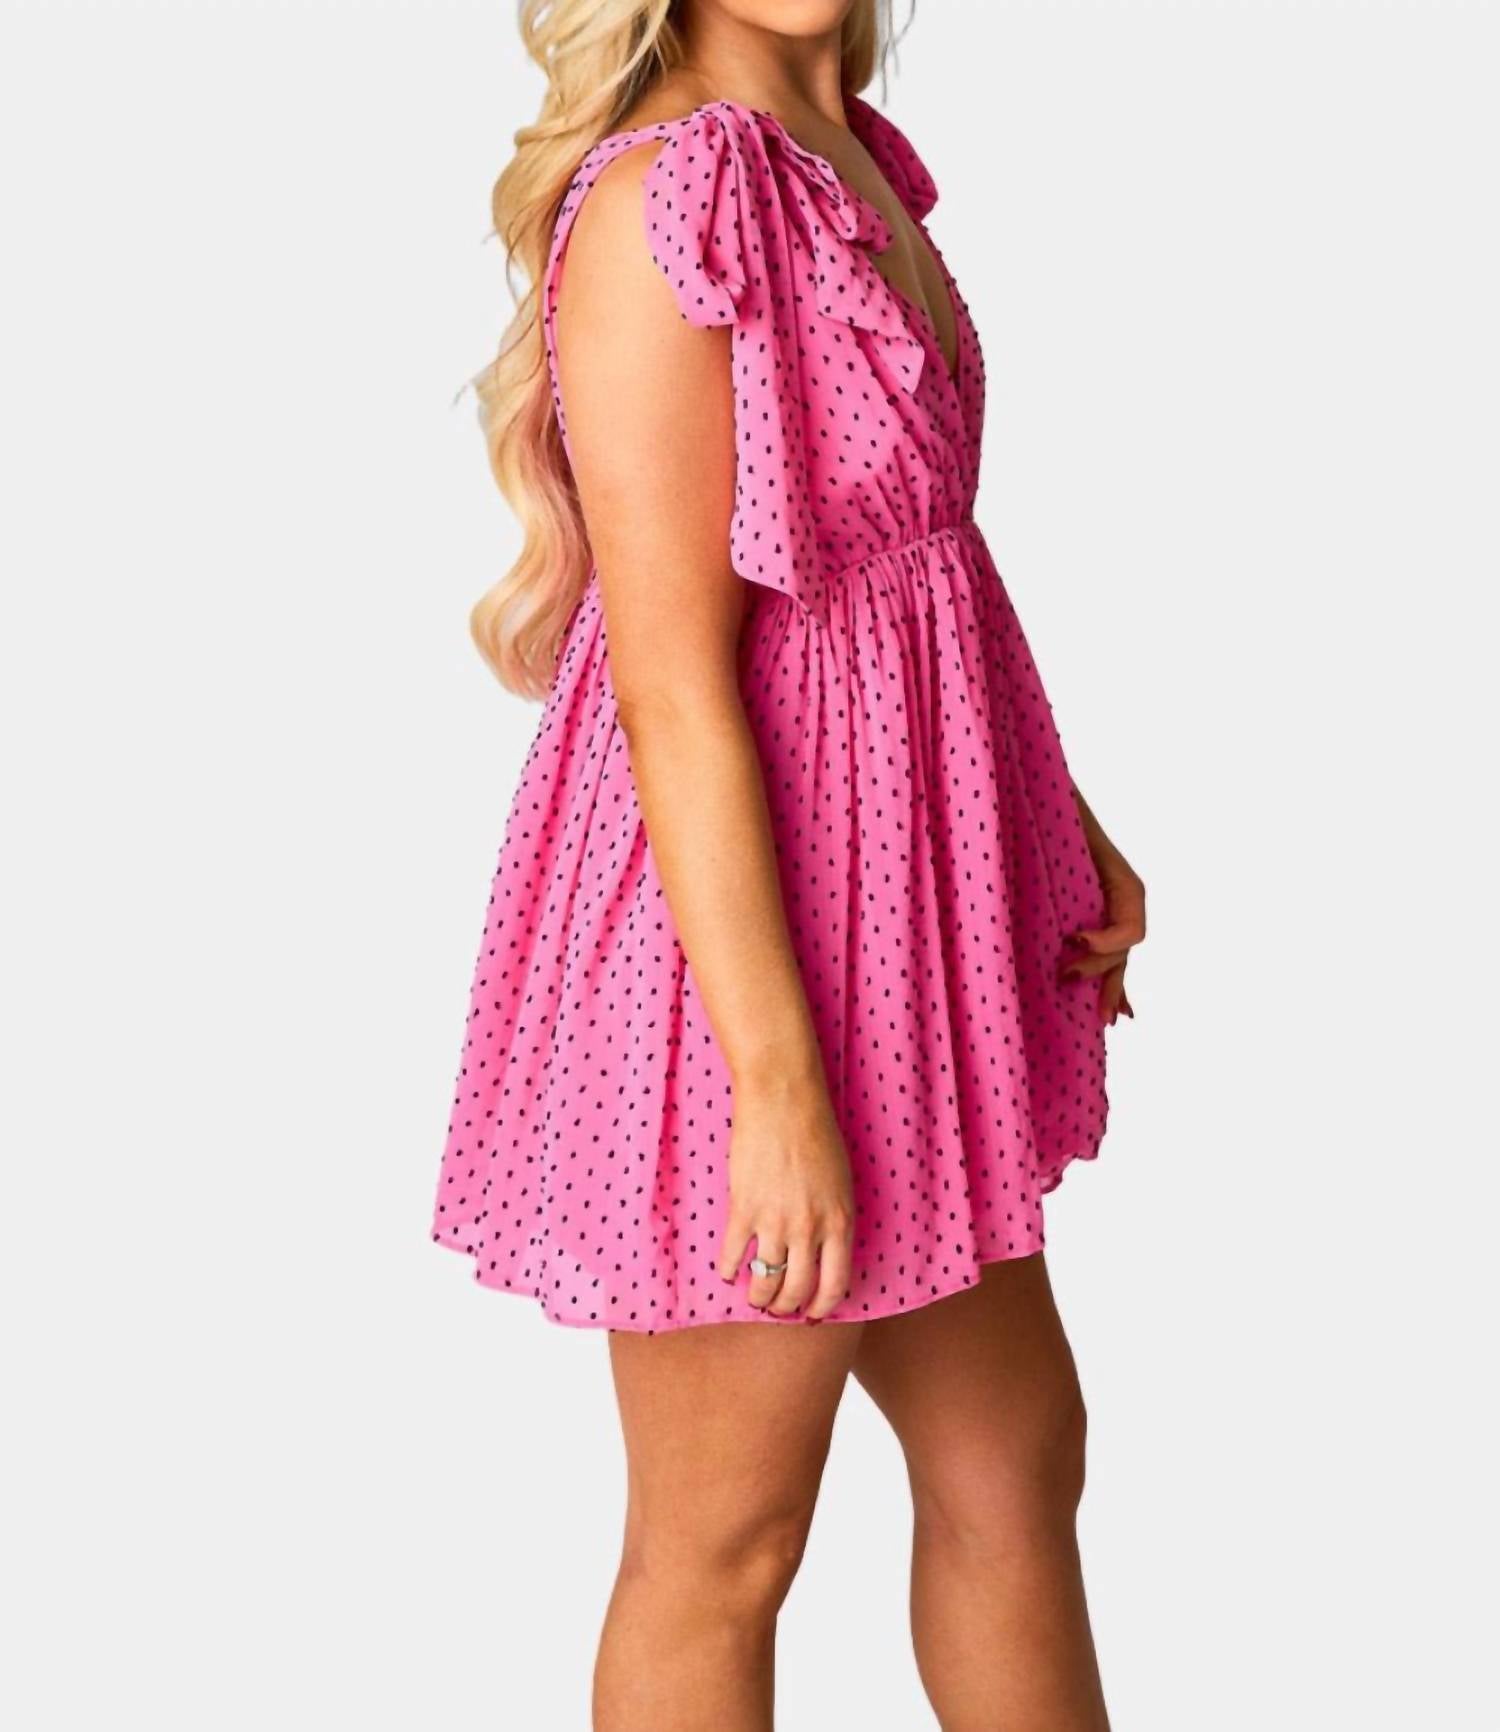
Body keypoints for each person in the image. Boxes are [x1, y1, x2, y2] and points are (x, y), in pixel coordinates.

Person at [431, 3, 1145, 1726]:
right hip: (738, 961)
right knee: (726, 1544)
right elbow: (672, 681)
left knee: (1012, 1455)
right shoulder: (666, 198)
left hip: (910, 921)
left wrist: (1061, 817)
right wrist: (777, 1087)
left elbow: (911, 573)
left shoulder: (843, 156)